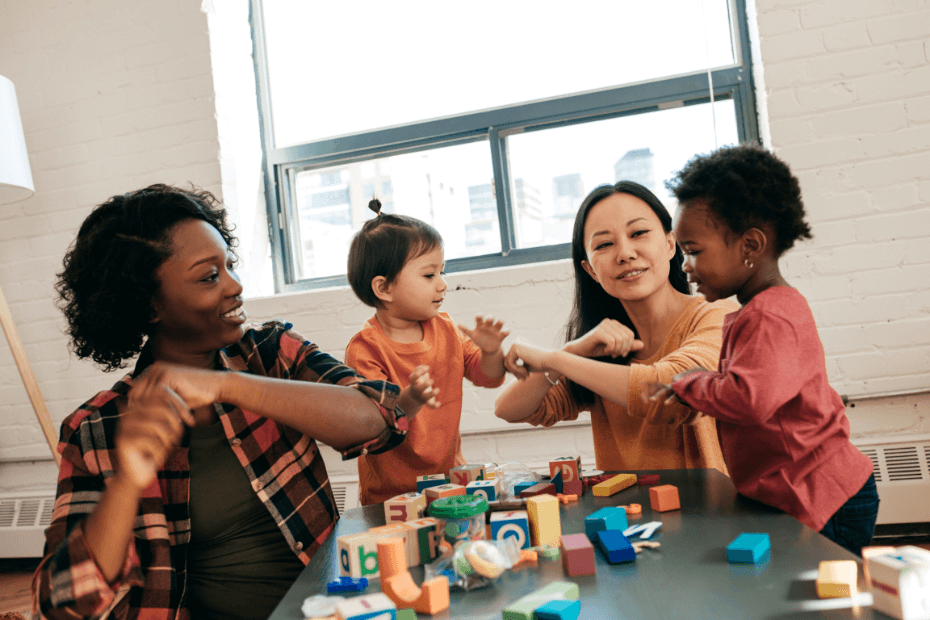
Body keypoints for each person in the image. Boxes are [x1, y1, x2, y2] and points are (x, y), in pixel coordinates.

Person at [33, 184, 433, 620]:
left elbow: (381, 417)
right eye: (209, 276)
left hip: (332, 607)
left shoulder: (270, 352)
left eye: (231, 266)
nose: (236, 286)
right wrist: (126, 482)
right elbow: (64, 607)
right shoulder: (96, 428)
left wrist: (227, 385)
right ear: (149, 305)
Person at [648, 144, 877, 555]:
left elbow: (749, 399)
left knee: (824, 597)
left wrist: (689, 382)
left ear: (750, 246)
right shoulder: (762, 310)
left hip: (824, 497)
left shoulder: (770, 315)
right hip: (806, 492)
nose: (685, 265)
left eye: (694, 251)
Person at [495, 181, 737, 473]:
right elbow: (509, 409)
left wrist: (555, 358)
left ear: (671, 244)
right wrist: (573, 350)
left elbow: (669, 388)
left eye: (639, 233)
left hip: (715, 517)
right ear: (590, 270)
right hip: (630, 519)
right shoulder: (603, 351)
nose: (625, 253)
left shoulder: (719, 315)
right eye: (604, 244)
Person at [345, 198, 508, 505]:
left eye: (442, 272)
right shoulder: (365, 349)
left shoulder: (446, 328)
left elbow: (488, 377)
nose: (442, 284)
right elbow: (372, 426)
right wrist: (411, 400)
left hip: (451, 487)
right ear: (384, 288)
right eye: (429, 275)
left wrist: (491, 352)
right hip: (390, 500)